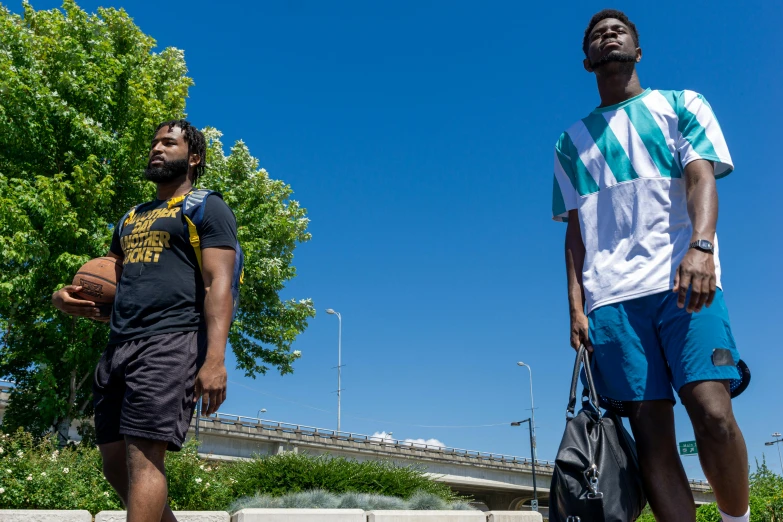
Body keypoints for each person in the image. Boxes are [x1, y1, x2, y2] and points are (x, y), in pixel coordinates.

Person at [553, 9, 749, 522]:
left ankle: (737, 519)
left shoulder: (682, 105)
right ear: (586, 59)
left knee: (713, 413)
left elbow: (701, 179)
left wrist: (701, 247)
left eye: (618, 31)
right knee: (650, 435)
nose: (607, 36)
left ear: (637, 50)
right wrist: (576, 308)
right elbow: (576, 231)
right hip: (612, 301)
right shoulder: (569, 142)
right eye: (596, 35)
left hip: (685, 281)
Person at [52, 120, 237, 522]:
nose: (156, 148)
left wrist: (215, 360)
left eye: (168, 143)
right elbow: (109, 282)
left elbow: (219, 283)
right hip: (119, 344)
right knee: (115, 464)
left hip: (171, 342)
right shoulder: (131, 218)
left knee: (144, 459)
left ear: (194, 157)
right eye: (153, 142)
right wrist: (65, 297)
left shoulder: (206, 207)